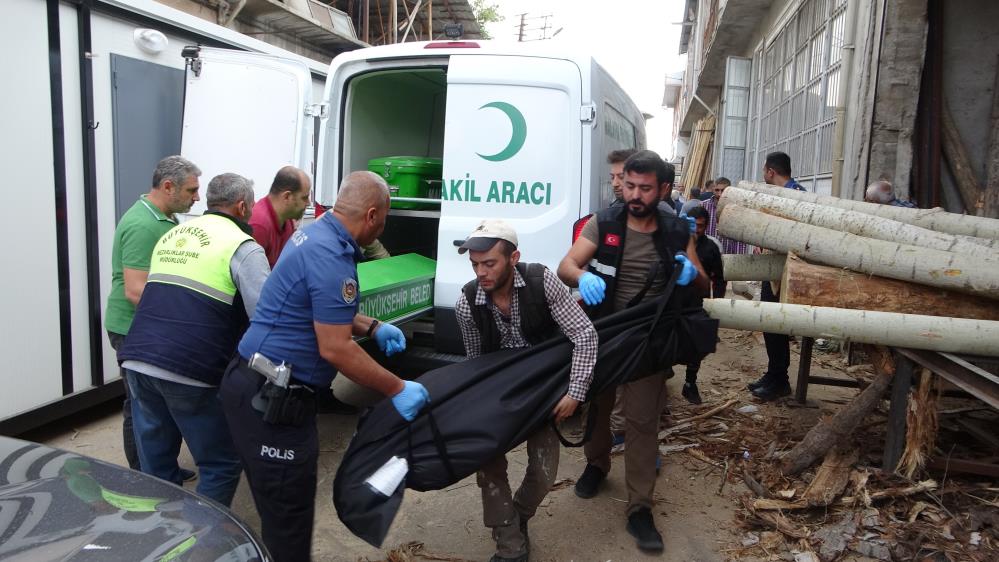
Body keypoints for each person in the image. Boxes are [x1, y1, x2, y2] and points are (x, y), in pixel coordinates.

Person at [220, 171, 430, 562]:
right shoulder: (330, 254)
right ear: (371, 215)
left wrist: (372, 324)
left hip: (254, 382)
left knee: (279, 513)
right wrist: (397, 388)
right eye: (383, 220)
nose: (381, 228)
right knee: (288, 520)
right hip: (271, 398)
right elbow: (335, 348)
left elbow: (315, 305)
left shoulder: (316, 233)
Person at [558, 150, 708, 553]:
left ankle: (640, 507)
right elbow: (566, 266)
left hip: (648, 339)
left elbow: (704, 285)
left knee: (642, 422)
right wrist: (583, 276)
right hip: (604, 333)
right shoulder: (603, 222)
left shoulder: (678, 231)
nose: (635, 194)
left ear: (663, 189)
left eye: (645, 188)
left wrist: (692, 275)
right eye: (629, 185)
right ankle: (596, 465)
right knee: (599, 408)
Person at [119, 173, 267, 506]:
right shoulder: (243, 247)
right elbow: (265, 315)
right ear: (242, 206)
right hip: (190, 368)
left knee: (156, 464)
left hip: (138, 360)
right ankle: (204, 544)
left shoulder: (173, 235)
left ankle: (162, 535)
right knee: (220, 463)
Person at [456, 220, 598, 562]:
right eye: (475, 264)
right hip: (499, 394)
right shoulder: (467, 304)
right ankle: (510, 544)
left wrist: (575, 392)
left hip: (544, 392)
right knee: (488, 467)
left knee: (544, 471)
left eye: (489, 263)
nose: (481, 273)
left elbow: (585, 335)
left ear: (513, 257)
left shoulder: (541, 282)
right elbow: (476, 363)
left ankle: (516, 516)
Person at [104, 155, 201, 480]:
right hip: (131, 329)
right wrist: (184, 312)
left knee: (154, 406)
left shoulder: (163, 218)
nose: (197, 198)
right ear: (168, 186)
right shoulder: (142, 224)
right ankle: (143, 477)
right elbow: (135, 290)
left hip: (148, 327)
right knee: (139, 406)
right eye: (191, 190)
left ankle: (163, 470)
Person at [749, 152, 804, 400]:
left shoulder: (796, 197)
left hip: (785, 273)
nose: (763, 175)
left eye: (764, 170)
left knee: (776, 325)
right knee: (769, 325)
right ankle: (773, 374)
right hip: (771, 269)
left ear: (770, 171)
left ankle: (780, 380)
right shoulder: (782, 195)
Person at [680, 206, 724, 405]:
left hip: (698, 303)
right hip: (675, 303)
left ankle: (690, 383)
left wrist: (718, 303)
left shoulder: (711, 248)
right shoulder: (676, 243)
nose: (697, 230)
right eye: (694, 226)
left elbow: (719, 279)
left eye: (701, 226)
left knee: (698, 344)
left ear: (706, 226)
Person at [250, 166, 312, 268]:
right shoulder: (259, 225)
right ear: (287, 196)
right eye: (304, 198)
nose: (308, 203)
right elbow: (251, 278)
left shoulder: (287, 220)